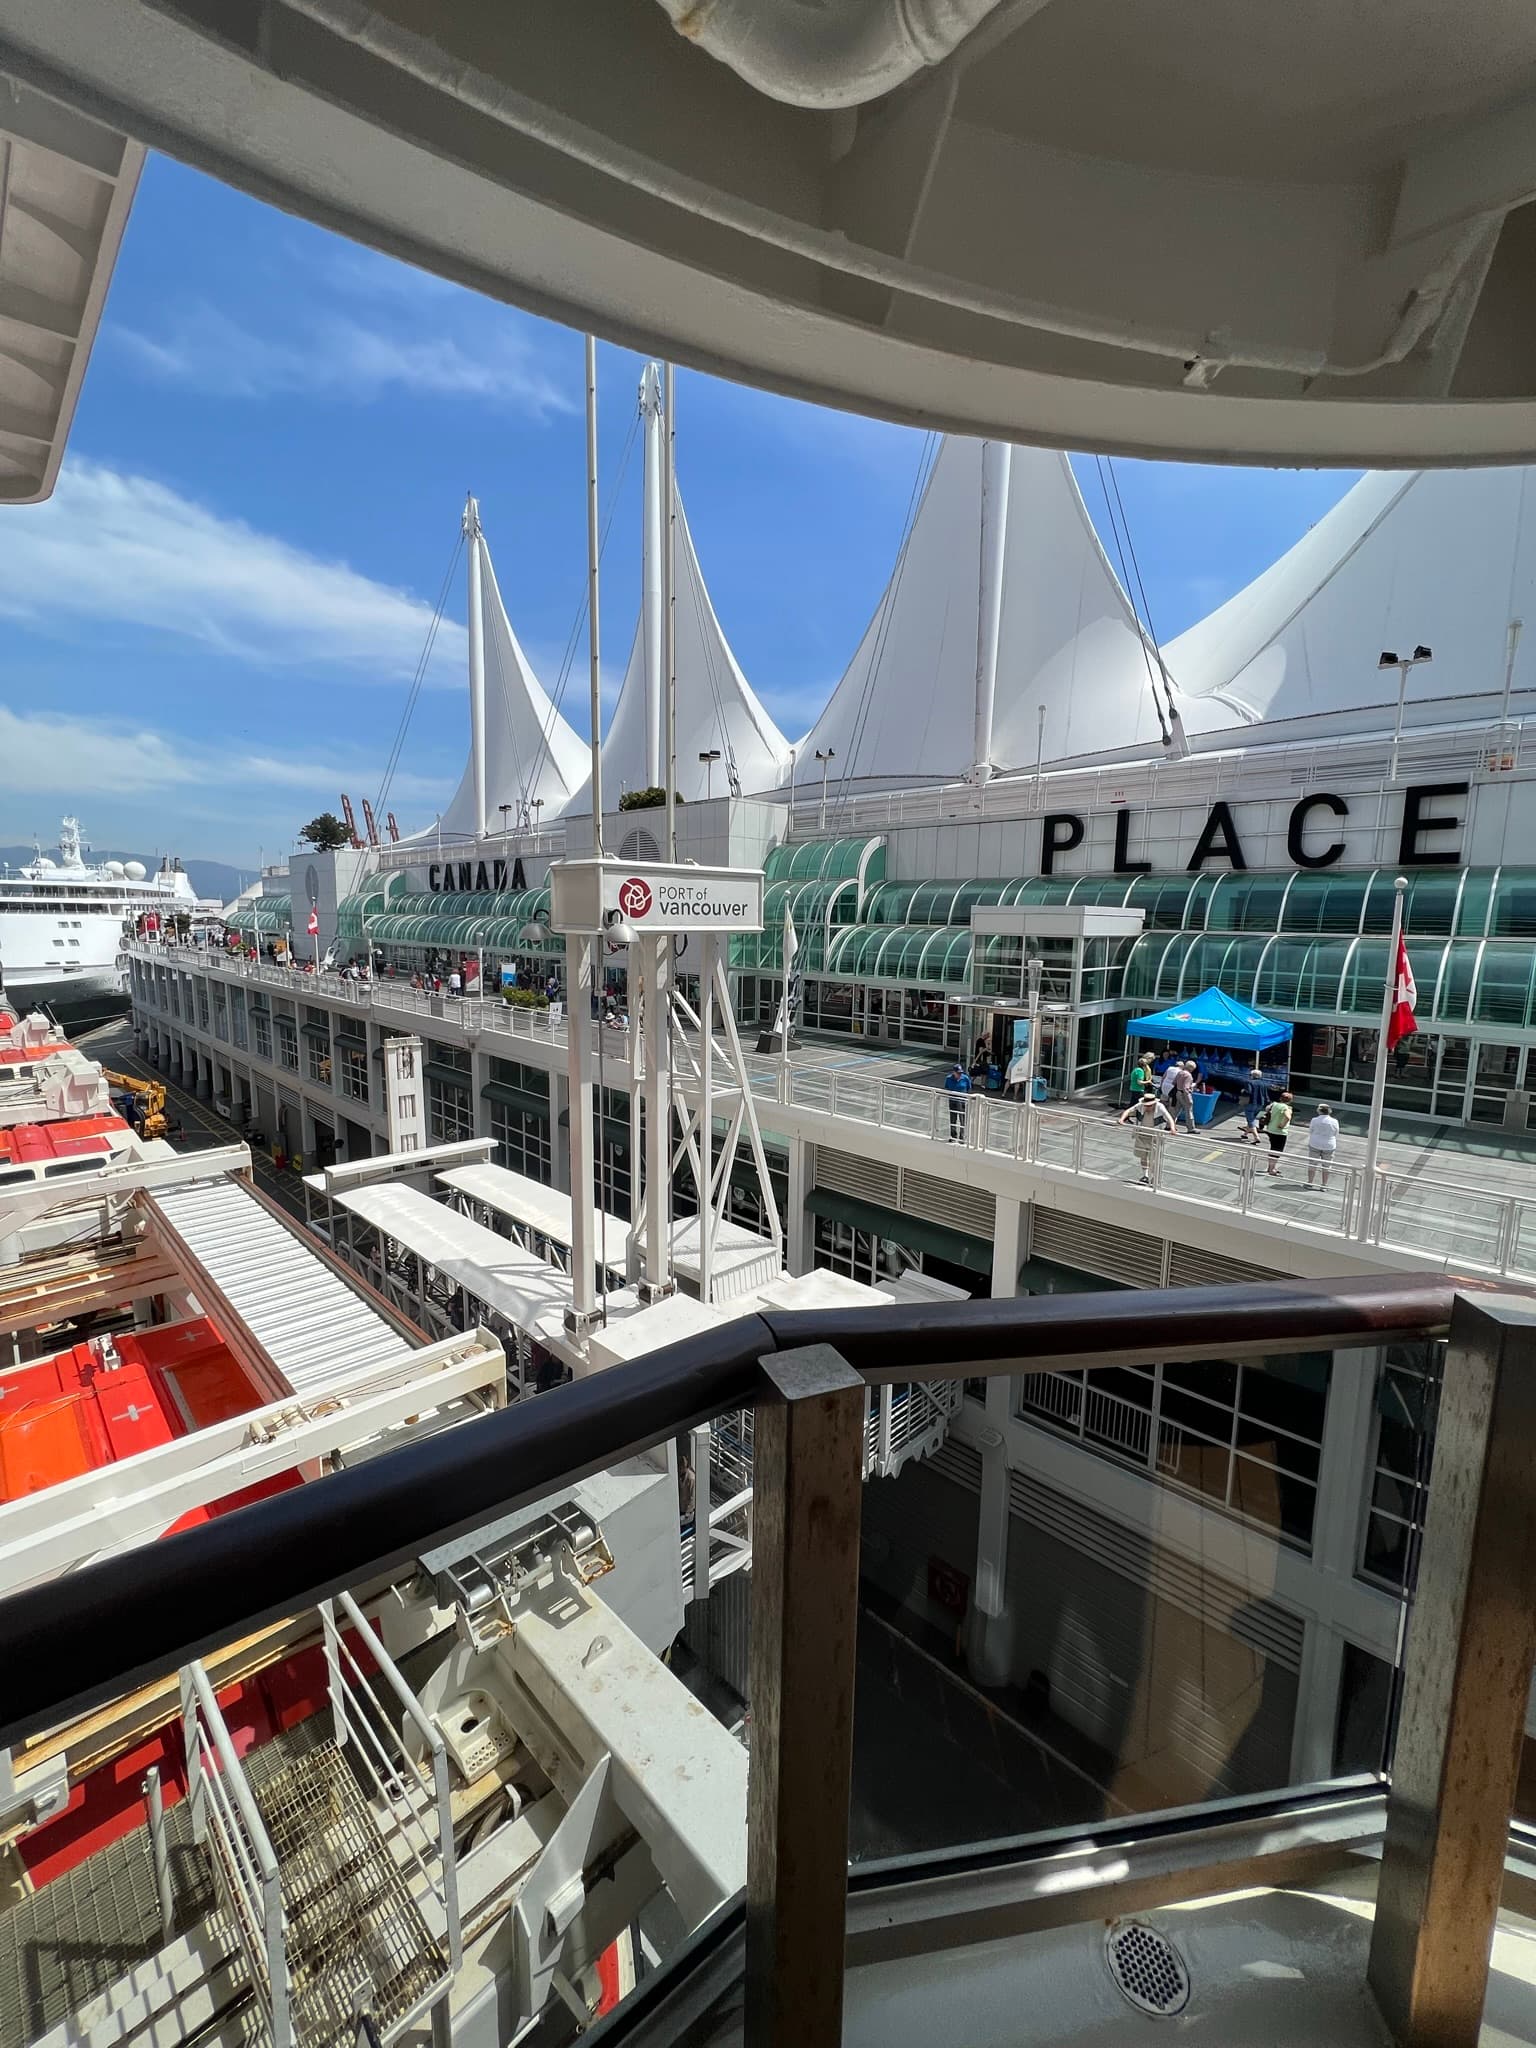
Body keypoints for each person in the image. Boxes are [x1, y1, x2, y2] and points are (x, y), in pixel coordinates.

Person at [1118, 1091, 1176, 1186]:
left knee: (1154, 1159)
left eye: (1149, 1105)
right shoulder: (1140, 1105)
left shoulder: (1160, 1107)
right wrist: (1121, 1119)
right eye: (1146, 1105)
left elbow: (1169, 1117)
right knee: (1143, 1157)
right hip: (1141, 1136)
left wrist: (1172, 1128)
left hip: (1154, 1137)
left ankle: (1154, 1177)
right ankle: (1145, 1176)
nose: (1147, 1107)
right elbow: (1128, 1111)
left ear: (1154, 1104)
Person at [1306, 1102, 1341, 1189]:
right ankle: (1324, 1185)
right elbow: (1336, 1133)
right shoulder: (1334, 1121)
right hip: (1329, 1145)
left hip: (1315, 1143)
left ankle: (1310, 1182)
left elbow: (1311, 1131)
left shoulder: (1314, 1120)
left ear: (1319, 1110)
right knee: (1327, 1165)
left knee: (1312, 1163)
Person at [1262, 1090, 1294, 1176]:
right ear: (1290, 1100)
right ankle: (1272, 1169)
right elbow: (1288, 1117)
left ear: (1280, 1098)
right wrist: (1282, 1125)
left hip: (1270, 1129)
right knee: (1277, 1151)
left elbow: (1266, 1109)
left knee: (1273, 1148)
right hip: (1280, 1132)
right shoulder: (1286, 1108)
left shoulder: (1274, 1104)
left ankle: (1271, 1167)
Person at [943, 1061, 972, 1142]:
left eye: (960, 1073)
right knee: (953, 1119)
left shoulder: (965, 1078)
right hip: (953, 1100)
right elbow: (947, 1087)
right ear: (954, 1072)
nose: (959, 1074)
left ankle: (962, 1136)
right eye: (957, 1073)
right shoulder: (949, 1078)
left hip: (962, 1101)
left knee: (962, 1119)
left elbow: (969, 1088)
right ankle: (953, 1136)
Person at [1239, 1065, 1267, 1144]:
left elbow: (1248, 1091)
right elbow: (1266, 1095)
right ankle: (1245, 1134)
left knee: (1251, 1120)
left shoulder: (1249, 1082)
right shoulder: (1263, 1083)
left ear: (1252, 1075)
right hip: (1260, 1103)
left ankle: (1256, 1137)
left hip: (1251, 1103)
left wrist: (1243, 1091)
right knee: (1252, 1118)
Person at [1170, 1059, 1197, 1131]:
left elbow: (1173, 1082)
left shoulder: (1180, 1073)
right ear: (1191, 1068)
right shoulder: (1189, 1076)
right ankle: (1191, 1128)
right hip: (1184, 1094)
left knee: (1176, 1111)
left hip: (1177, 1093)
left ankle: (1170, 1125)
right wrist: (1189, 1099)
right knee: (1189, 1111)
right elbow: (1186, 1088)